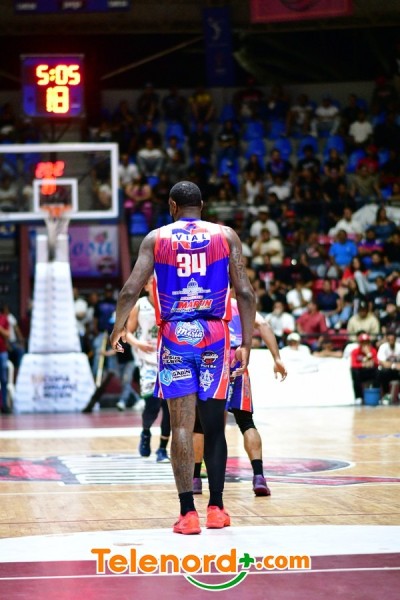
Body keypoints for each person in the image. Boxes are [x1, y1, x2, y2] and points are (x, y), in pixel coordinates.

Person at [110, 180, 256, 535]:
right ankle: (217, 509)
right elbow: (246, 292)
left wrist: (117, 329)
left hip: (175, 337)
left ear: (172, 206)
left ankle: (188, 513)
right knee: (215, 426)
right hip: (216, 335)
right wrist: (247, 343)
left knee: (180, 426)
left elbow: (130, 290)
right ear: (201, 205)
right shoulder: (226, 235)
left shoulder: (156, 238)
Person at [192, 295, 287, 497]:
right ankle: (259, 476)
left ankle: (195, 479)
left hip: (211, 360)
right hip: (237, 359)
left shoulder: (202, 302)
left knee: (200, 425)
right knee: (246, 421)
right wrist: (277, 358)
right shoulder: (239, 304)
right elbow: (263, 325)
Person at [125, 276, 171, 462]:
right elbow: (127, 332)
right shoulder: (140, 305)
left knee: (169, 407)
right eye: (154, 282)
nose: (158, 284)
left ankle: (162, 449)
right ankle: (146, 432)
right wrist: (138, 344)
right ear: (146, 286)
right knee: (152, 405)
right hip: (147, 361)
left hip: (169, 360)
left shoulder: (170, 302)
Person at [350, 333, 380, 403]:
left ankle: (376, 395)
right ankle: (358, 397)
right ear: (360, 343)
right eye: (363, 342)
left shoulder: (373, 350)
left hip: (370, 372)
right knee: (355, 372)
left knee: (378, 372)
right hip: (360, 373)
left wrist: (369, 354)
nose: (365, 345)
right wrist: (363, 365)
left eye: (367, 342)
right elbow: (353, 364)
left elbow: (377, 363)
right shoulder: (355, 351)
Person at [0, 304, 10, 413]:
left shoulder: (4, 319)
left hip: (2, 352)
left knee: (3, 379)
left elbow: (7, 335)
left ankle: (3, 405)